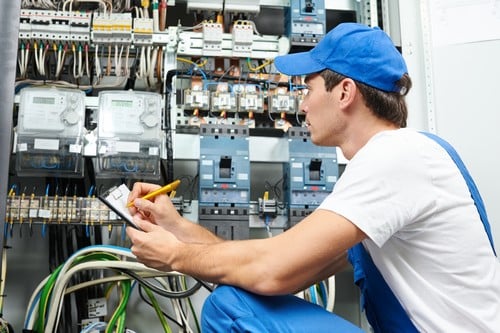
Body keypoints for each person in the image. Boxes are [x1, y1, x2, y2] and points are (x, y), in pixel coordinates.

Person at [126, 22, 500, 332]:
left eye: (308, 88)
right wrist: (176, 226)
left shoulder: (394, 157)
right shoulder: (398, 163)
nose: (302, 104)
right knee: (238, 295)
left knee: (230, 306)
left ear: (345, 93)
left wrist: (175, 256)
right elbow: (284, 269)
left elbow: (271, 269)